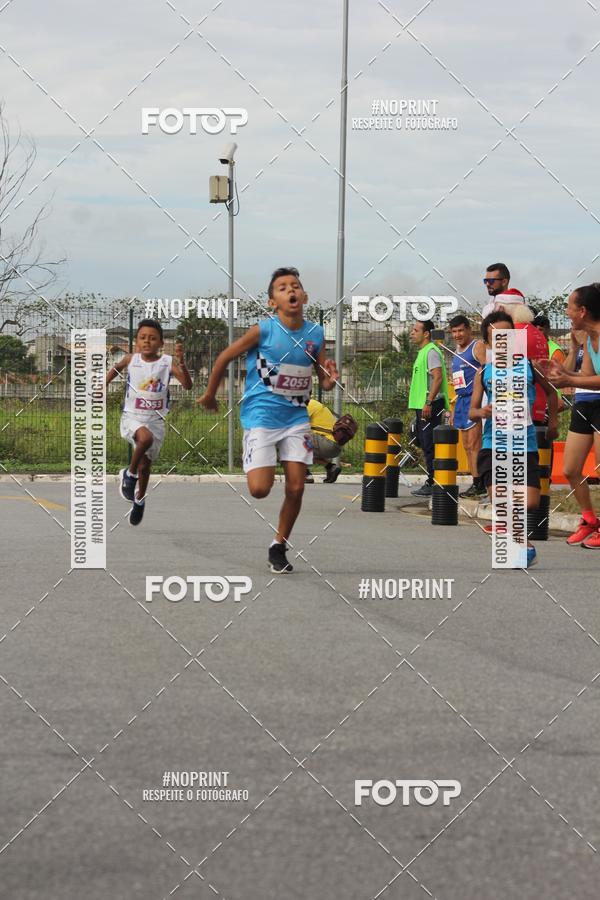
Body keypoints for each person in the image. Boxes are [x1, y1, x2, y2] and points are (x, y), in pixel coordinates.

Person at [198, 267, 339, 573]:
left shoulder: (315, 334)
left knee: (297, 487)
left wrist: (329, 379)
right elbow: (224, 358)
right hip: (261, 415)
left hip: (296, 417)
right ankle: (263, 455)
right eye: (282, 287)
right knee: (259, 490)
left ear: (304, 296)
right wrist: (210, 394)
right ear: (272, 301)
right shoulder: (263, 330)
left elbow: (322, 378)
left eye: (296, 286)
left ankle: (279, 545)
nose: (291, 290)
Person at [469, 311, 557, 567]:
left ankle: (516, 540)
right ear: (488, 342)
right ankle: (522, 544)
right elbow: (472, 411)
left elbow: (552, 393)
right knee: (501, 499)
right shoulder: (484, 372)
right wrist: (482, 411)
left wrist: (552, 423)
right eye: (497, 337)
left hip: (524, 444)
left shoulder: (528, 366)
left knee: (529, 501)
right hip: (492, 444)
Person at [107, 319, 192, 525]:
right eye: (143, 338)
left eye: (152, 338)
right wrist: (103, 385)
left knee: (146, 465)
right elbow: (115, 368)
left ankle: (140, 498)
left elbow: (187, 385)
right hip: (132, 417)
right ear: (136, 342)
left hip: (156, 420)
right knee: (144, 439)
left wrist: (182, 363)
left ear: (161, 343)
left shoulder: (166, 362)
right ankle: (129, 474)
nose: (147, 342)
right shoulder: (131, 359)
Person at [542, 284, 600, 548]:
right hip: (585, 403)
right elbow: (585, 376)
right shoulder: (588, 337)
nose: (567, 312)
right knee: (570, 469)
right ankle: (589, 519)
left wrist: (567, 378)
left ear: (583, 310)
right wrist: (561, 372)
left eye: (569, 307)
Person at [408, 319, 450, 496]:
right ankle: (432, 479)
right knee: (422, 440)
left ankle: (434, 481)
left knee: (429, 444)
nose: (412, 332)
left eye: (416, 330)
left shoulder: (431, 351)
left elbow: (438, 378)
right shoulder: (423, 352)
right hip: (422, 404)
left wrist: (429, 402)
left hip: (429, 404)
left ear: (426, 334)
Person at [448, 314, 487, 497]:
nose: (457, 335)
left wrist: (480, 401)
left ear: (469, 329)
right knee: (466, 445)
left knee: (474, 444)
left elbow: (487, 369)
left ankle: (479, 483)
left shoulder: (477, 347)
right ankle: (475, 481)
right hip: (461, 401)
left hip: (475, 399)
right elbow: (458, 383)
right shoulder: (456, 353)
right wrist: (455, 409)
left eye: (461, 330)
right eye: (454, 331)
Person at [304, 398, 343, 484]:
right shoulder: (315, 404)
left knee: (295, 438)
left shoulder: (308, 405)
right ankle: (331, 468)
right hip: (333, 446)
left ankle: (305, 474)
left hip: (326, 443)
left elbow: (294, 423)